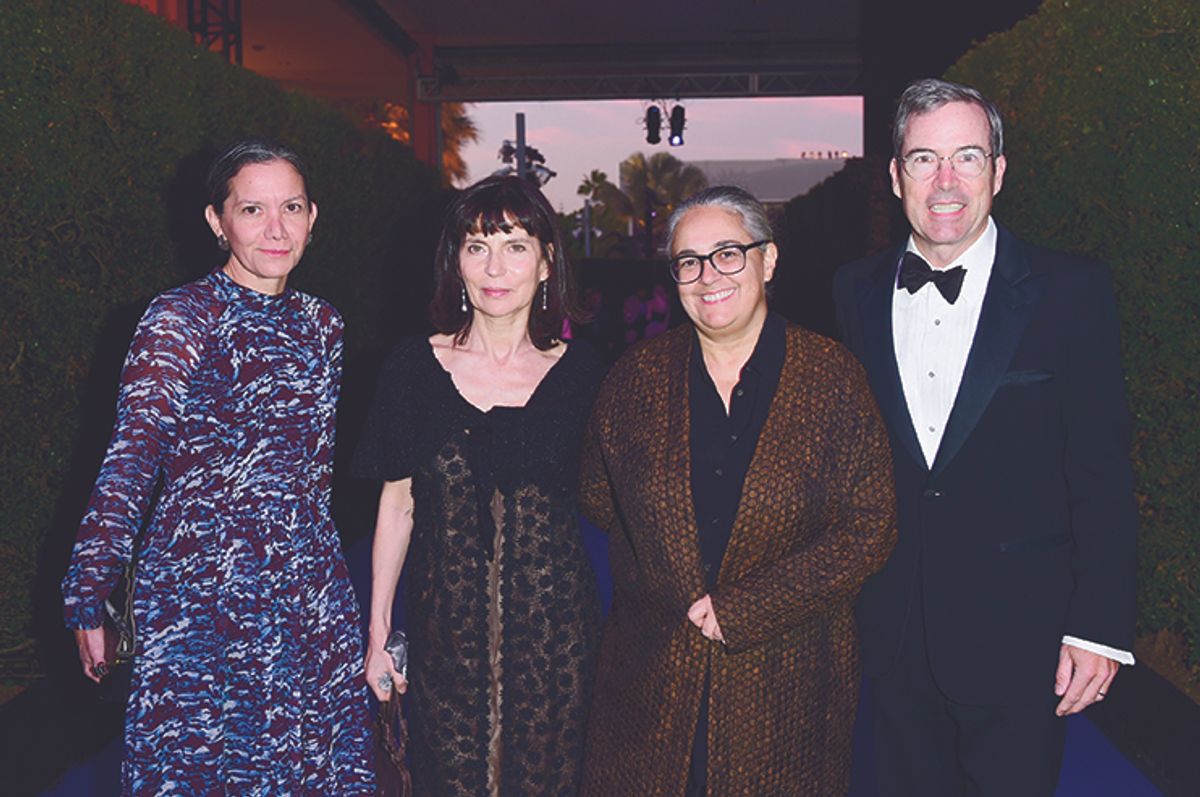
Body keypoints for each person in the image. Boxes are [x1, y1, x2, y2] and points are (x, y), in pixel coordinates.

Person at [833, 78, 1138, 796]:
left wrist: (1099, 625)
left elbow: (1100, 468)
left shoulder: (1072, 290)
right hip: (894, 630)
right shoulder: (854, 290)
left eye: (967, 157)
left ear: (999, 171)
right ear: (894, 175)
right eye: (923, 159)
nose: (945, 182)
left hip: (1023, 636)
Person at [62, 138, 375, 794]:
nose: (275, 227)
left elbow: (311, 475)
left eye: (291, 206)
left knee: (314, 769)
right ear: (217, 221)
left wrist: (335, 604)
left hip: (305, 588)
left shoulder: (325, 325)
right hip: (201, 591)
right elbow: (132, 456)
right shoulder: (178, 320)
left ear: (313, 216)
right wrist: (90, 592)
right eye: (252, 209)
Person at [578, 186, 897, 796]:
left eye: (728, 253)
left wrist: (749, 606)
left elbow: (870, 525)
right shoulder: (634, 381)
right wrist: (664, 572)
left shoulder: (833, 378)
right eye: (688, 261)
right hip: (651, 676)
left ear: (767, 261)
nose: (707, 277)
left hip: (790, 681)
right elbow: (600, 496)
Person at [354, 176, 606, 796]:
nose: (495, 267)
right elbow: (398, 501)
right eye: (476, 246)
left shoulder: (585, 378)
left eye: (515, 246)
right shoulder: (412, 369)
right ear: (455, 261)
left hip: (558, 644)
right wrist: (379, 629)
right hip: (446, 640)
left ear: (547, 262)